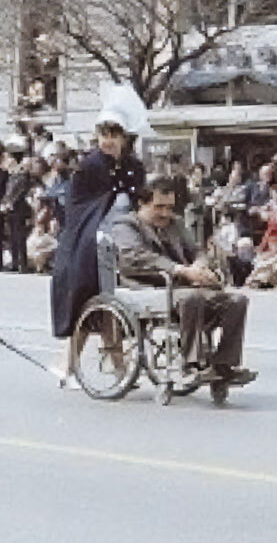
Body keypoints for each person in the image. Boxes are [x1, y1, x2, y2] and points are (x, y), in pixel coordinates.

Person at [110, 177, 256, 385]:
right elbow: (135, 257)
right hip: (144, 286)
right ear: (142, 204)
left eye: (169, 207)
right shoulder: (126, 225)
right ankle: (192, 365)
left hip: (179, 286)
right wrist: (180, 270)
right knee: (191, 297)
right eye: (158, 207)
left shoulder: (175, 224)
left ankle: (224, 364)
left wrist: (199, 266)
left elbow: (196, 250)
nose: (165, 213)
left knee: (236, 301)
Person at [50, 84, 147, 355]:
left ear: (125, 137)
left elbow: (138, 197)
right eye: (104, 133)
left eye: (114, 134)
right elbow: (82, 206)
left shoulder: (132, 166)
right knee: (86, 300)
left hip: (119, 238)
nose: (108, 140)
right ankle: (70, 366)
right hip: (89, 241)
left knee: (113, 305)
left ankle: (116, 366)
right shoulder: (90, 165)